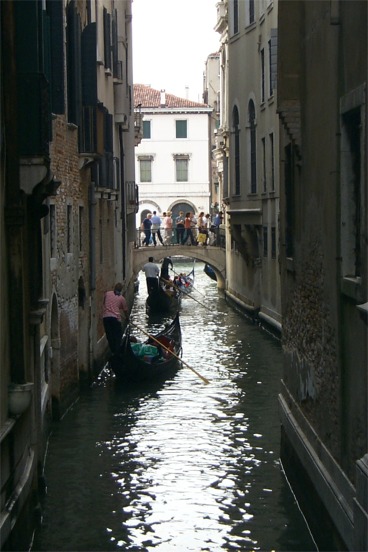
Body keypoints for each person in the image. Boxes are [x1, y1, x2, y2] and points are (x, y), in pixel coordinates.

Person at [102, 283, 129, 353]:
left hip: (106, 318)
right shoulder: (122, 298)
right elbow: (125, 310)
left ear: (114, 288)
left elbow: (104, 303)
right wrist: (127, 318)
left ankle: (113, 352)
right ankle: (117, 352)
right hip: (115, 319)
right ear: (121, 290)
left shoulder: (107, 294)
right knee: (117, 336)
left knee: (110, 336)